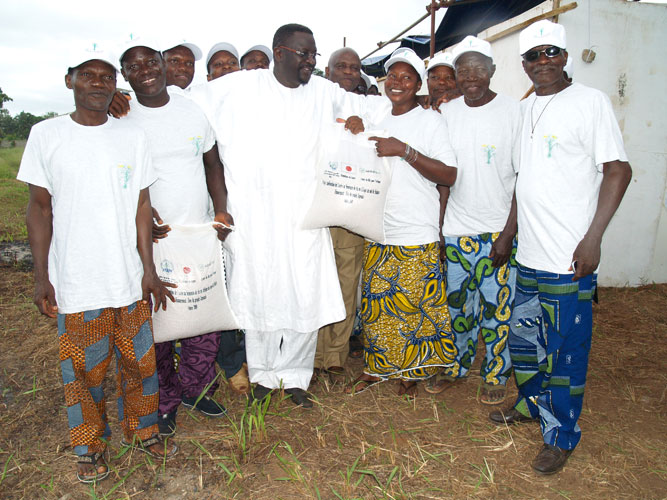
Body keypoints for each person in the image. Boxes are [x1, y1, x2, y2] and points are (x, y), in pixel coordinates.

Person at [189, 23, 389, 408]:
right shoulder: (242, 85)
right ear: (279, 52)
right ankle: (263, 376)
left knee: (305, 291)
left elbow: (375, 106)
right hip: (254, 215)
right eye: (305, 54)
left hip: (303, 217)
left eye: (314, 54)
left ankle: (295, 377)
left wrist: (418, 107)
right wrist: (126, 102)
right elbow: (187, 101)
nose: (311, 62)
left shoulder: (322, 92)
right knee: (259, 293)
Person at [17, 46, 177, 483]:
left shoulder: (131, 137)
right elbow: (39, 209)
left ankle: (143, 431)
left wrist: (148, 269)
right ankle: (88, 446)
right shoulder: (46, 135)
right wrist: (41, 276)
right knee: (83, 372)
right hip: (77, 278)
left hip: (128, 278)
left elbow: (143, 205)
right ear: (70, 81)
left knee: (140, 366)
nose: (98, 82)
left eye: (107, 77)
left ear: (115, 88)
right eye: (88, 75)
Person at [489, 20, 632, 475]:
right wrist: (509, 233)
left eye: (551, 52)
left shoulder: (590, 102)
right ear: (524, 64)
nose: (542, 62)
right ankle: (531, 405)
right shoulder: (525, 109)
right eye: (532, 56)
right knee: (526, 341)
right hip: (528, 256)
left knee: (566, 351)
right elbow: (523, 181)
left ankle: (562, 434)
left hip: (568, 259)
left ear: (565, 57)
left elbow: (617, 171)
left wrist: (593, 239)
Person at [119, 39, 232, 435]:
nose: (145, 70)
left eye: (151, 62)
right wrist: (143, 220)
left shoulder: (191, 109)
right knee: (158, 322)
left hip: (198, 230)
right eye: (134, 66)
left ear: (164, 65)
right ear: (126, 76)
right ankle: (165, 400)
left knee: (203, 315)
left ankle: (197, 390)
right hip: (148, 238)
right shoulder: (120, 115)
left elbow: (212, 163)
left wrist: (220, 207)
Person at [345, 48, 458, 397]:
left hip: (415, 225)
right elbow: (350, 122)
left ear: (417, 84)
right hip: (378, 225)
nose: (397, 83)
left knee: (414, 305)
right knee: (378, 304)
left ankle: (414, 369)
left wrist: (404, 150)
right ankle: (378, 367)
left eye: (406, 77)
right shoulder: (378, 113)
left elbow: (449, 175)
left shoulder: (430, 121)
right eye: (392, 76)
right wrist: (354, 127)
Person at [425, 37, 520, 406]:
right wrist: (440, 226)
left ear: (493, 71)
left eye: (479, 69)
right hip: (456, 232)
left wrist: (509, 234)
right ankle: (456, 367)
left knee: (498, 309)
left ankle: (496, 372)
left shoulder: (515, 112)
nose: (471, 77)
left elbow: (522, 178)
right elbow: (444, 173)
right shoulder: (449, 113)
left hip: (497, 230)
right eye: (463, 71)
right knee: (457, 307)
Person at [314, 47, 366, 379]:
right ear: (327, 70)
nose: (348, 71)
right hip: (315, 211)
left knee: (347, 282)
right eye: (341, 66)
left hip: (352, 211)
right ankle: (313, 352)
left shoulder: (371, 105)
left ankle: (335, 353)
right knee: (316, 282)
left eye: (354, 67)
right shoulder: (311, 99)